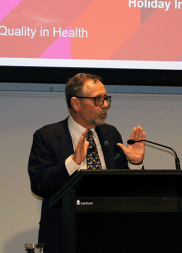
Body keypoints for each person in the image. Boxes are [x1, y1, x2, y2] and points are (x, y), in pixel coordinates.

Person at [27, 73, 146, 253]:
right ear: (76, 103)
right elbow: (39, 184)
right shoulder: (47, 136)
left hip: (109, 234)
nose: (105, 105)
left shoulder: (111, 134)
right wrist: (72, 163)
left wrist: (135, 164)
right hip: (64, 235)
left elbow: (125, 186)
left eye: (106, 99)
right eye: (98, 99)